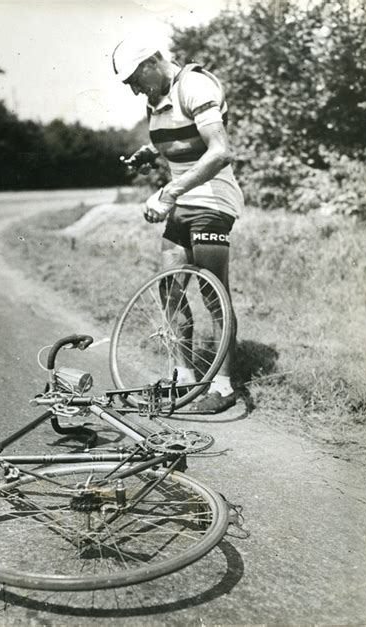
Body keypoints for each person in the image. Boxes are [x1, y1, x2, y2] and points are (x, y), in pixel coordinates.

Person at [112, 35, 244, 412]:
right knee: (169, 291)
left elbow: (219, 151)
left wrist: (168, 193)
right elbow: (176, 137)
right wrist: (148, 152)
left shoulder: (195, 85)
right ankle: (184, 378)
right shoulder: (157, 98)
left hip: (213, 199)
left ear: (153, 61)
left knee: (212, 292)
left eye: (136, 79)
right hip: (184, 200)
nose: (136, 91)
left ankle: (222, 384)